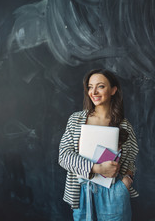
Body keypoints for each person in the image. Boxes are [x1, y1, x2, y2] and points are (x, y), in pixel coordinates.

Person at [59, 69, 139, 221]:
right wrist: (97, 169)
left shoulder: (124, 125)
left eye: (100, 86)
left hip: (113, 193)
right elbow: (63, 156)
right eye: (90, 87)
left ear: (113, 90)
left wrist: (126, 182)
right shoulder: (76, 120)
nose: (93, 91)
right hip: (81, 192)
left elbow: (131, 159)